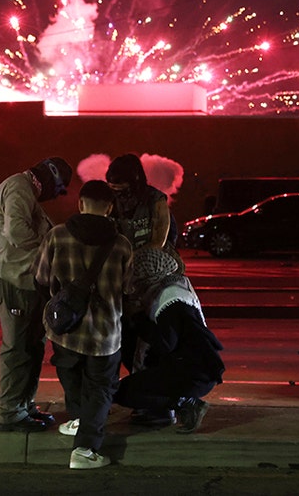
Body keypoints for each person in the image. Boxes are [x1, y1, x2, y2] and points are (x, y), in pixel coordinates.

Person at [33, 179, 134, 470]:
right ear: (110, 207)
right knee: (100, 388)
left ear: (80, 204)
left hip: (65, 329)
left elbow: (39, 278)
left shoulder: (57, 235)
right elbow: (129, 290)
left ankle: (78, 421)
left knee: (71, 374)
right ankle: (86, 449)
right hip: (105, 332)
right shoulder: (121, 244)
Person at [0, 156, 74, 432]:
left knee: (32, 346)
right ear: (51, 178)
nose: (55, 196)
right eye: (59, 188)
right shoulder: (19, 187)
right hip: (11, 277)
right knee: (18, 346)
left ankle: (23, 406)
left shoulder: (24, 190)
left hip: (24, 279)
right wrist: (50, 249)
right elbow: (17, 230)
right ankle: (10, 413)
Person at [105, 153, 184, 426]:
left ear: (135, 181)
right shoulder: (111, 202)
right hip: (122, 287)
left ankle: (157, 406)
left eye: (122, 188)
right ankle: (142, 401)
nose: (119, 195)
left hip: (153, 284)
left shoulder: (155, 201)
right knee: (125, 345)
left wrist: (138, 273)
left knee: (150, 346)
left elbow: (159, 242)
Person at [115, 248, 225, 433]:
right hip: (190, 370)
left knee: (121, 392)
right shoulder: (173, 288)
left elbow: (165, 343)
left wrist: (138, 318)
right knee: (132, 386)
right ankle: (172, 406)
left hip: (192, 374)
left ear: (149, 274)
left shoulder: (171, 297)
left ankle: (186, 402)